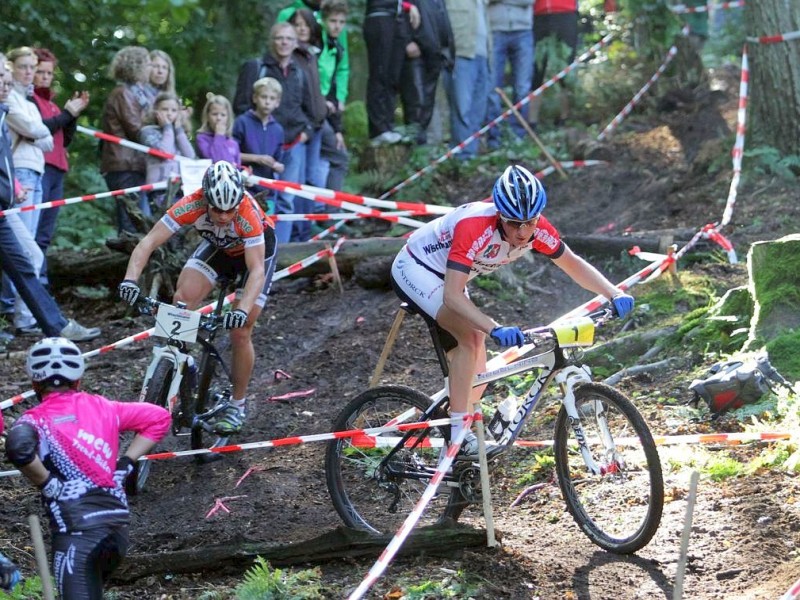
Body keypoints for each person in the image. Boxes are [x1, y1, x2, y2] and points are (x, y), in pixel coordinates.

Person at [390, 164, 634, 457]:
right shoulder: (474, 226)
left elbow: (571, 263)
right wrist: (494, 327)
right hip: (416, 267)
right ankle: (457, 437)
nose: (522, 232)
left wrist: (613, 291)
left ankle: (459, 430)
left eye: (529, 222)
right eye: (513, 223)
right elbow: (452, 296)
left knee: (476, 358)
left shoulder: (538, 229)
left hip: (451, 277)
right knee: (472, 338)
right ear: (498, 215)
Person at [118, 161, 277, 435]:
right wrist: (130, 280)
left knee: (241, 329)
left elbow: (256, 270)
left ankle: (237, 405)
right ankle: (171, 365)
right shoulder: (190, 204)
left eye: (230, 209)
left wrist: (242, 309)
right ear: (205, 199)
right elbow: (147, 243)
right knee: (182, 299)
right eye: (217, 209)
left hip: (255, 257)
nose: (225, 216)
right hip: (219, 250)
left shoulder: (247, 214)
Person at [5, 337, 170, 599]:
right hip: (117, 532)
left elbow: (18, 448)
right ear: (78, 378)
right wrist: (126, 462)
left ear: (34, 382)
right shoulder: (107, 407)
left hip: (76, 536)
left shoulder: (35, 420)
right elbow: (159, 417)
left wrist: (48, 484)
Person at [0, 54, 99, 342]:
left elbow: (45, 139)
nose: (6, 87)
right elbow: (36, 132)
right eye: (1, 81)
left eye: (7, 81)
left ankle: (56, 326)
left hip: (5, 207)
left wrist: (14, 185)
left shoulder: (4, 113)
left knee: (29, 256)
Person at [2, 47, 55, 320]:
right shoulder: (9, 97)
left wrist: (37, 133)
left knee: (30, 247)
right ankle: (17, 312)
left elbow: (47, 139)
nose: (29, 73)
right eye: (23, 67)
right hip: (18, 176)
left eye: (32, 68)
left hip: (31, 174)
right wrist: (36, 133)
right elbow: (36, 131)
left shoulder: (28, 101)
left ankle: (27, 314)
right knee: (23, 250)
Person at [32, 47, 90, 288]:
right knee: (31, 233)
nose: (45, 77)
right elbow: (42, 128)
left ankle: (40, 287)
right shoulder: (29, 101)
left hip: (58, 169)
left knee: (44, 235)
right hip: (39, 169)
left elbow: (64, 139)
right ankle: (27, 290)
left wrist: (73, 115)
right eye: (40, 72)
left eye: (49, 72)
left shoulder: (53, 105)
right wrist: (68, 113)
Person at [99, 46, 152, 233]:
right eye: (147, 64)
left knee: (138, 219)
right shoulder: (123, 94)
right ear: (135, 66)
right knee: (131, 221)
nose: (150, 68)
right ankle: (128, 261)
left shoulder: (138, 93)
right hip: (124, 166)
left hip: (134, 165)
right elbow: (136, 129)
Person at [363, 0, 421, 144]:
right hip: (379, 16)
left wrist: (408, 6)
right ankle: (378, 130)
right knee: (380, 74)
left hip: (395, 17)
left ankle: (388, 126)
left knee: (392, 77)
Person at [399, 0, 454, 145]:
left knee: (426, 106)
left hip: (434, 53)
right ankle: (416, 152)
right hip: (416, 53)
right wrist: (406, 41)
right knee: (416, 105)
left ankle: (422, 151)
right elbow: (395, 9)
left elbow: (442, 20)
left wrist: (447, 48)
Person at [442, 0, 492, 159]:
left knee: (478, 109)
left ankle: (471, 153)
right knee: (461, 107)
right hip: (461, 55)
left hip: (484, 55)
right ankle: (462, 156)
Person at [232, 77, 285, 213]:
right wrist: (256, 158)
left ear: (277, 102)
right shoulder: (242, 122)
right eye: (264, 97)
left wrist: (278, 166)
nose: (267, 102)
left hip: (267, 192)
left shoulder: (278, 129)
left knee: (264, 229)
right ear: (255, 98)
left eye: (272, 98)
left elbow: (278, 159)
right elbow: (230, 155)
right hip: (243, 188)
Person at [486, 0, 534, 147]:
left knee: (522, 87)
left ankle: (518, 135)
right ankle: (493, 138)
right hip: (494, 30)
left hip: (523, 31)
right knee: (493, 87)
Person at [139, 91, 196, 207]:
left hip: (180, 187)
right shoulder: (147, 131)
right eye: (165, 109)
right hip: (159, 187)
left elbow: (190, 155)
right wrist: (167, 128)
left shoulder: (178, 132)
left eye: (174, 110)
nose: (169, 114)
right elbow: (164, 153)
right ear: (156, 111)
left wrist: (179, 130)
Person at [528, 0, 579, 130]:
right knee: (536, 67)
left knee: (565, 67)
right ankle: (531, 122)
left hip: (566, 13)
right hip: (538, 15)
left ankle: (564, 118)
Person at [196, 93, 241, 165]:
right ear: (207, 116)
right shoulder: (202, 139)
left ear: (228, 118)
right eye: (214, 114)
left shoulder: (233, 143)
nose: (219, 118)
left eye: (223, 115)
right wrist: (219, 136)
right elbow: (216, 161)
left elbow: (237, 166)